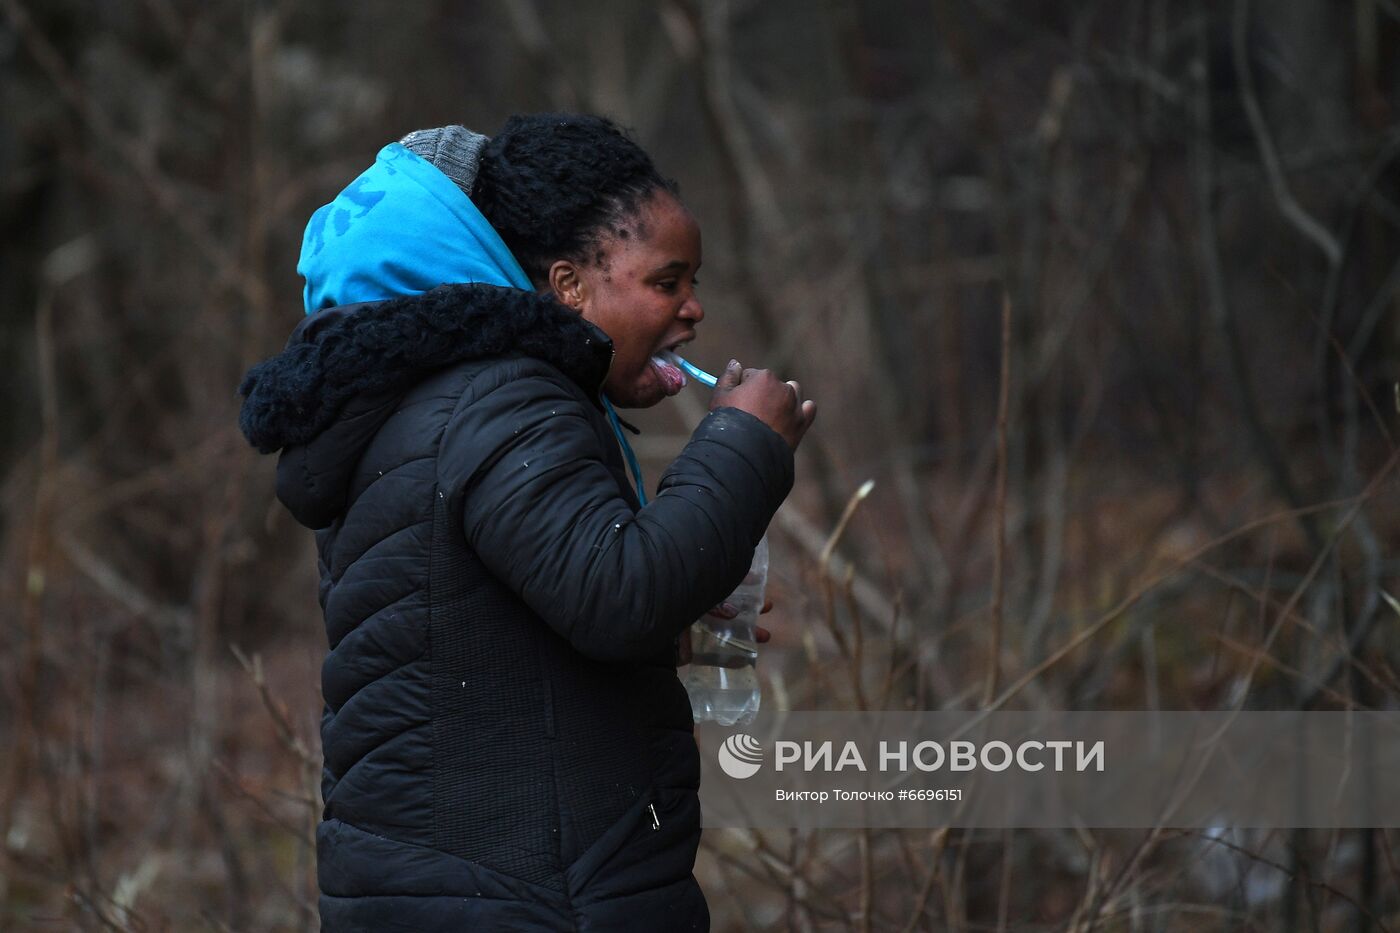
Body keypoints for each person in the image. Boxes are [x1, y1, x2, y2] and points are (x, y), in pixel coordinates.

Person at [238, 114, 814, 931]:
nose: (694, 309)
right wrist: (745, 442)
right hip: (528, 898)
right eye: (666, 281)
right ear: (570, 285)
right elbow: (619, 594)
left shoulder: (431, 394)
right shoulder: (502, 398)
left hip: (451, 889)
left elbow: (470, 626)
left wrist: (670, 631)